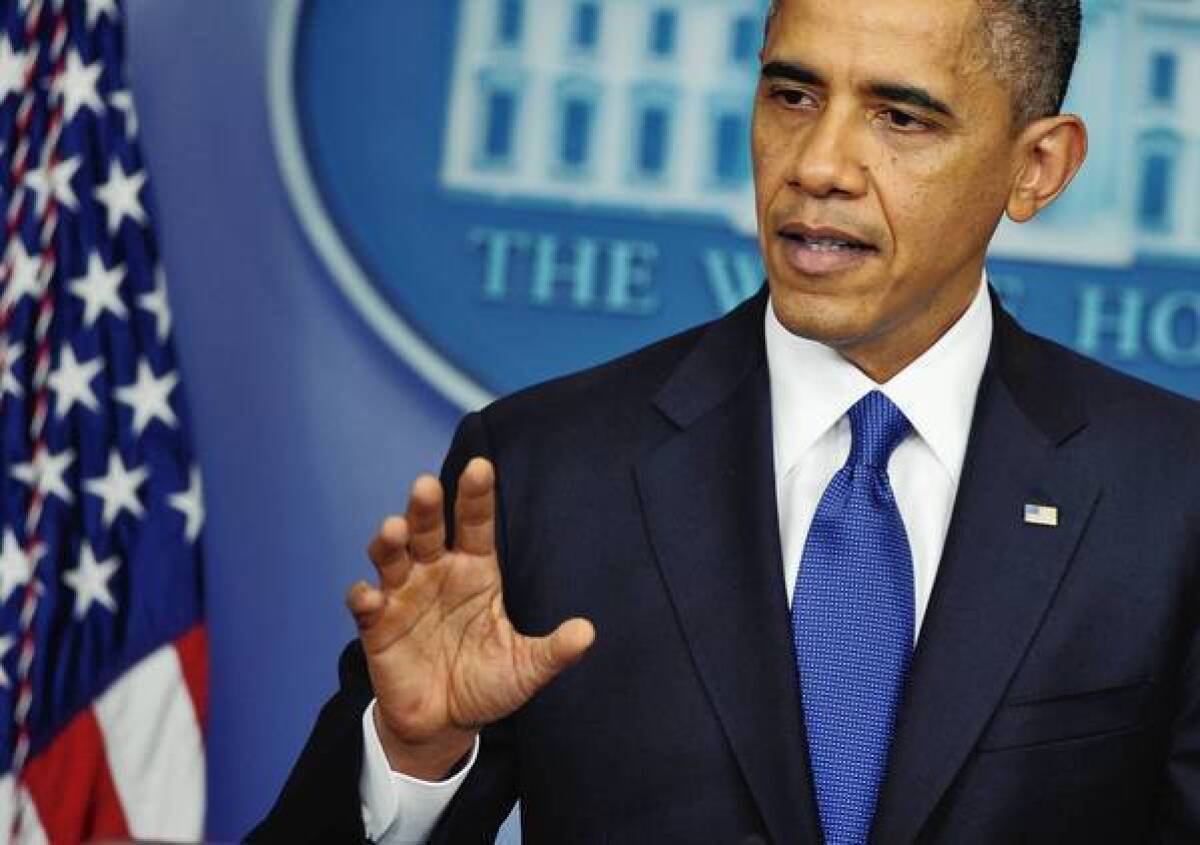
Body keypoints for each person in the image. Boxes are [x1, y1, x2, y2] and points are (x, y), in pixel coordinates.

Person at [252, 0, 1200, 841]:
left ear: (1037, 167)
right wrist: (416, 757)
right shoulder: (543, 470)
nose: (819, 165)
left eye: (900, 116)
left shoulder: (1172, 494)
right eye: (792, 96)